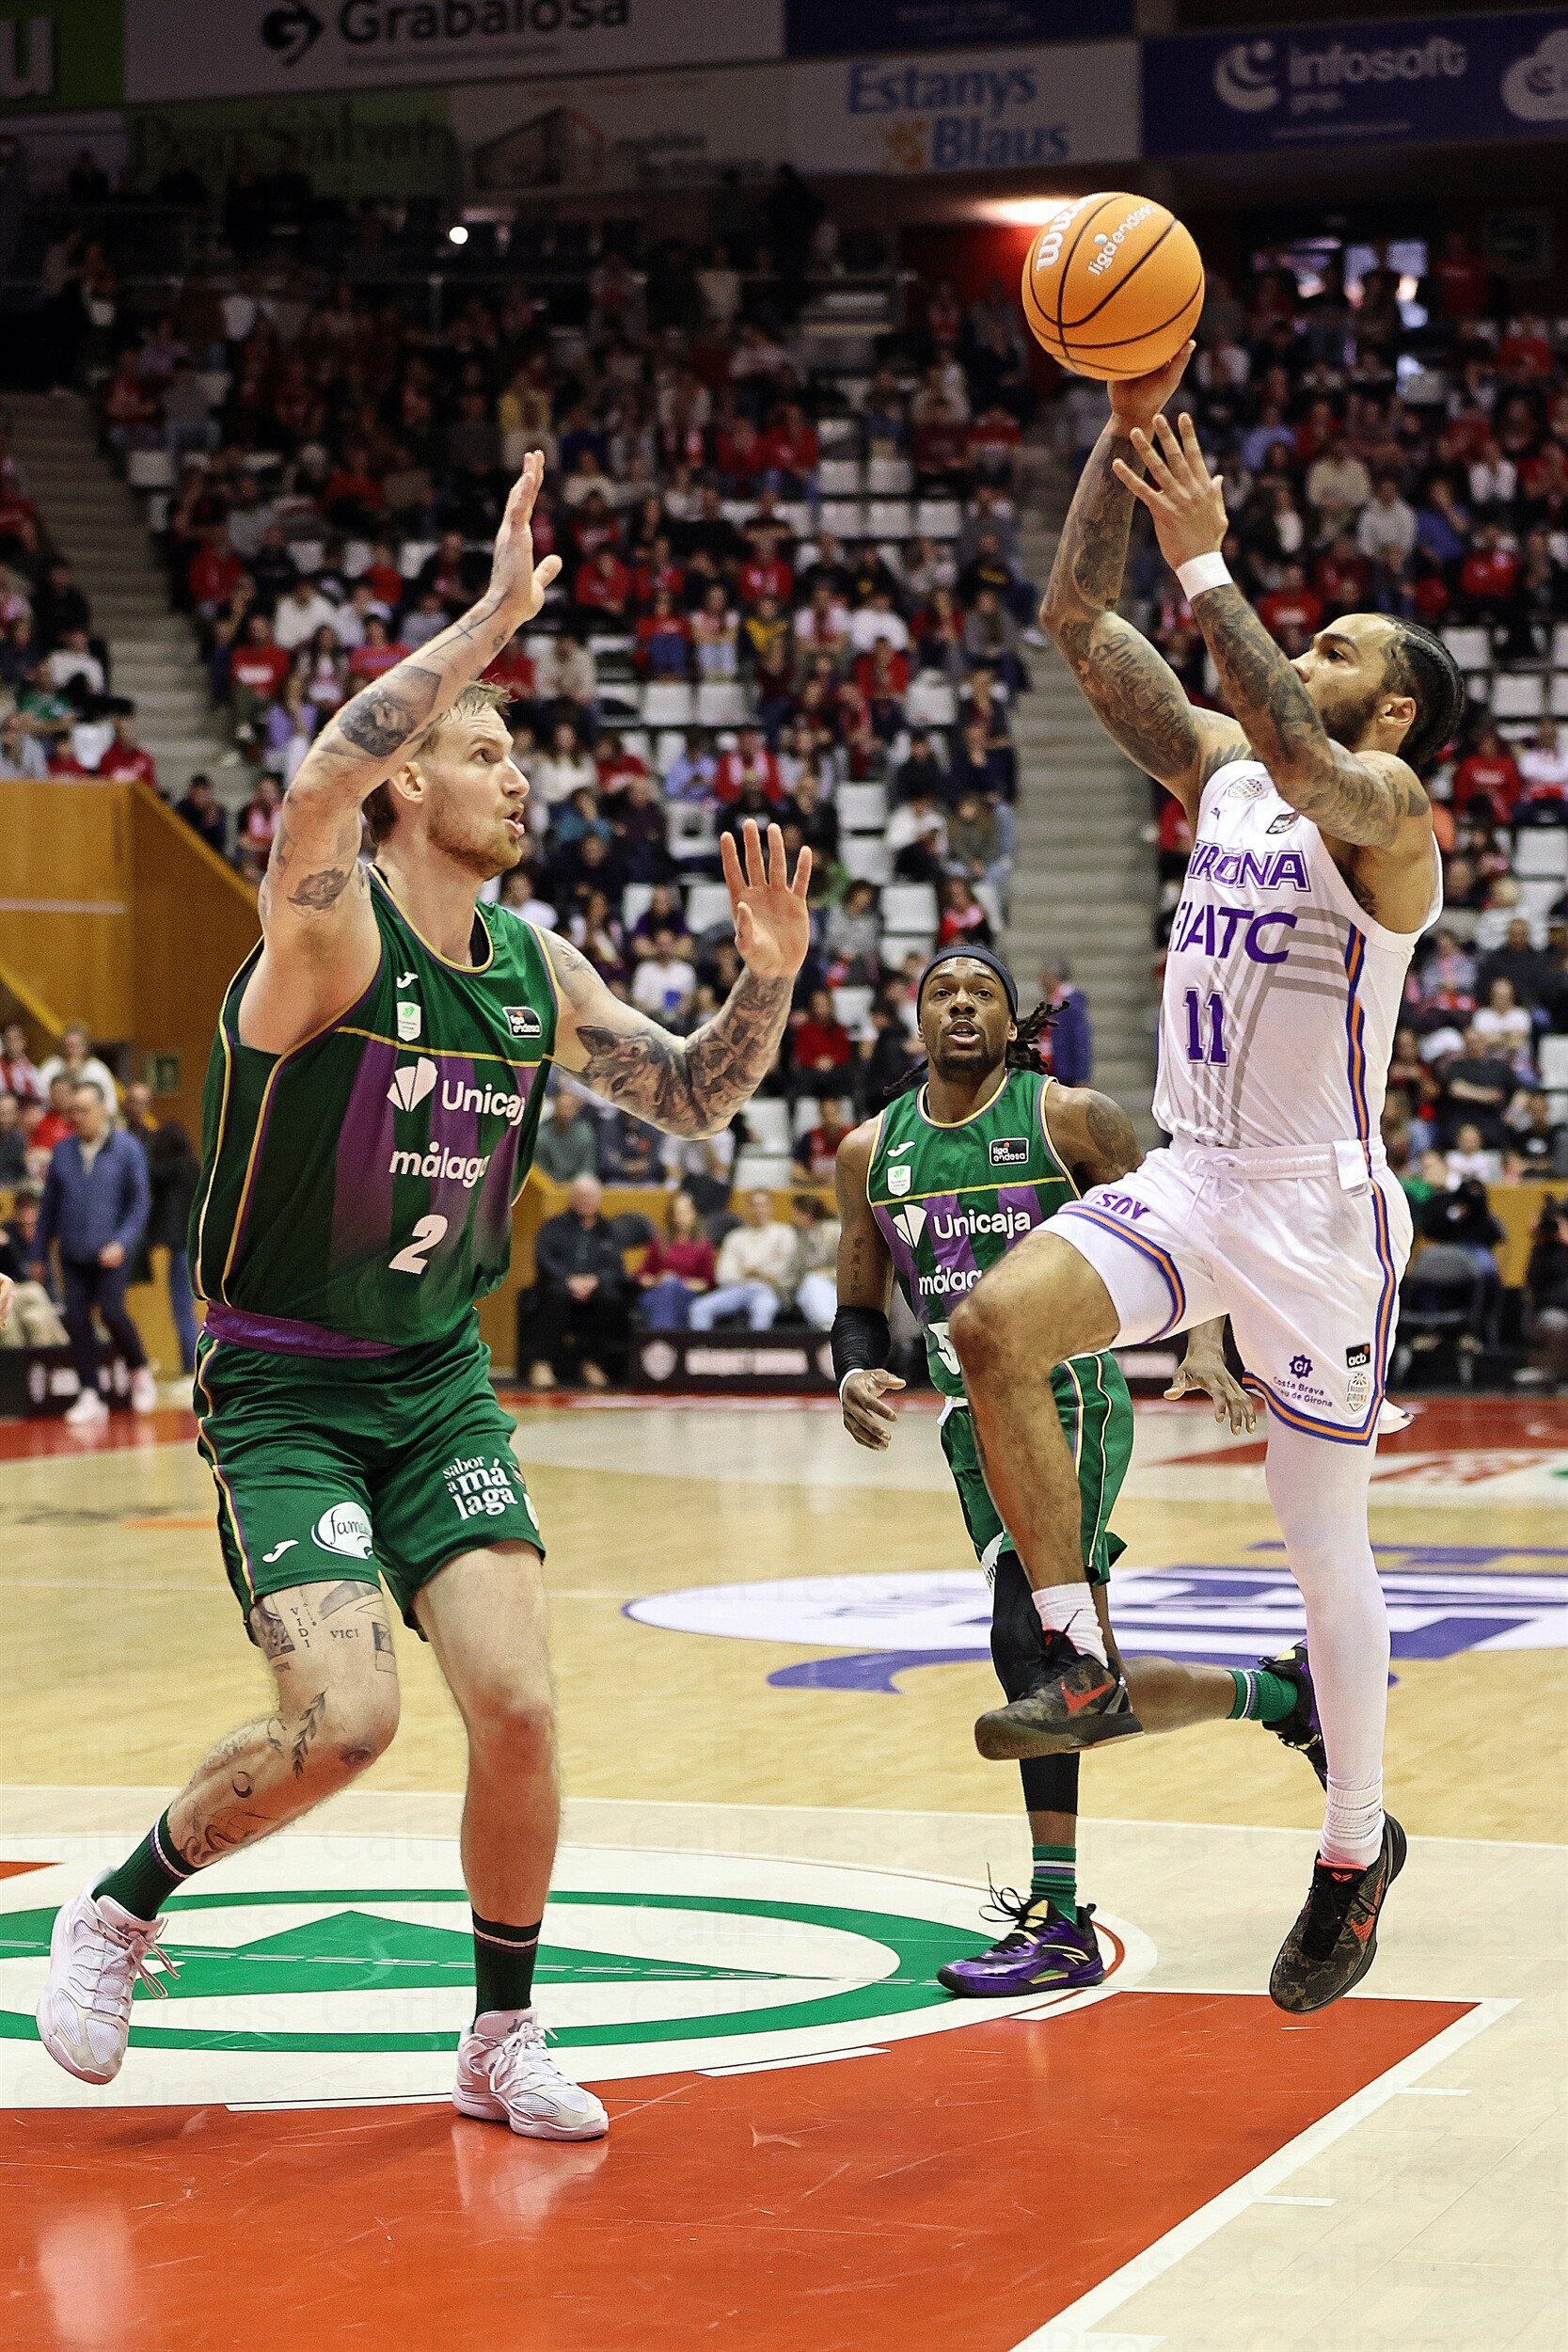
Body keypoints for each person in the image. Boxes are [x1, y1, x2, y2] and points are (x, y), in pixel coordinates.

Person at [36, 453, 812, 2142]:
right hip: (286, 1387)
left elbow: (692, 1097)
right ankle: (121, 1903)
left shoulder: (536, 969)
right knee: (347, 1723)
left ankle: (500, 2035)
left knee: (517, 1707)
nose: (513, 775)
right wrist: (488, 620)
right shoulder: (325, 937)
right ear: (406, 788)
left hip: (437, 1380)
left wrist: (764, 985)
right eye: (481, 751)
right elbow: (317, 776)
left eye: (516, 753)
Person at [952, 344, 1467, 2014]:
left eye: (1335, 651)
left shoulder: (1388, 811)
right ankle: (1076, 1655)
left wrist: (1205, 561)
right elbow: (1073, 625)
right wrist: (1114, 449)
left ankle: (1351, 1849)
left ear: (1394, 708)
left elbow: (1310, 765)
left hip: (1320, 1215)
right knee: (989, 1330)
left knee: (1320, 1542)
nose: (1303, 657)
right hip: (1194, 1177)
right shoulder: (1226, 774)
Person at [834, 947, 1323, 1994]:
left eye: (981, 992)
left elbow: (1184, 1234)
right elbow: (859, 1298)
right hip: (966, 1422)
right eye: (939, 991)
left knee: (1032, 1647)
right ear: (914, 1020)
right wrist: (854, 1369)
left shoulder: (1068, 1120)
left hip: (1070, 1398)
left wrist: (1203, 1342)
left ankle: (1057, 1919)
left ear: (1012, 1022)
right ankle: (1280, 1695)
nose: (960, 1004)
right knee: (1082, 1682)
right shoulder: (869, 1150)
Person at [33, 1080, 155, 1424]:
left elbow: (140, 1203)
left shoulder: (127, 1148)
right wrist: (38, 1253)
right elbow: (48, 1208)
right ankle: (90, 1392)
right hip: (73, 1252)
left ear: (103, 1109)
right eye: (74, 1111)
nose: (78, 1117)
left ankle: (138, 1369)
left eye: (85, 1110)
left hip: (112, 1252)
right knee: (77, 1319)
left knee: (113, 1312)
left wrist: (122, 1242)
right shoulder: (62, 1151)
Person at [530, 1173, 626, 1391]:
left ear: (599, 1198)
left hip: (595, 1288)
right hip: (560, 1286)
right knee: (555, 1295)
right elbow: (544, 1259)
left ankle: (592, 1363)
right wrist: (568, 1280)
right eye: (581, 1196)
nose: (586, 1201)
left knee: (610, 1298)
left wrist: (595, 1280)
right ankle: (543, 1363)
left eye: (590, 1196)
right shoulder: (554, 1226)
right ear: (572, 1198)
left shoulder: (608, 1230)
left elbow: (616, 1267)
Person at [689, 1188, 794, 1330]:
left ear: (771, 1207)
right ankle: (703, 1344)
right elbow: (724, 1274)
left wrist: (749, 1270)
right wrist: (760, 1271)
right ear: (747, 1208)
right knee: (699, 1308)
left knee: (763, 1309)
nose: (759, 1210)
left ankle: (757, 1345)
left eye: (763, 1205)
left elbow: (783, 1270)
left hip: (769, 1291)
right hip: (737, 1289)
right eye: (754, 1205)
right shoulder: (735, 1237)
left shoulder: (784, 1233)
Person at [637, 1189, 717, 1330]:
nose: (683, 1217)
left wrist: (676, 1282)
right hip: (657, 1291)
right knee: (663, 1292)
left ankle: (662, 1338)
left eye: (686, 1212)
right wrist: (658, 1281)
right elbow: (643, 1275)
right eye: (678, 1213)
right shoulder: (660, 1242)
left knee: (671, 1286)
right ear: (672, 1217)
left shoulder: (704, 1245)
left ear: (694, 1214)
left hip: (687, 1295)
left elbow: (707, 1283)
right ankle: (667, 1337)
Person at [533, 1087, 598, 1184]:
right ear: (555, 1108)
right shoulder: (541, 1136)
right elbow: (540, 1170)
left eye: (569, 1108)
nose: (565, 1112)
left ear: (576, 1110)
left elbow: (587, 1167)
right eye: (562, 1107)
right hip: (548, 1184)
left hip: (576, 1185)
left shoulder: (584, 1133)